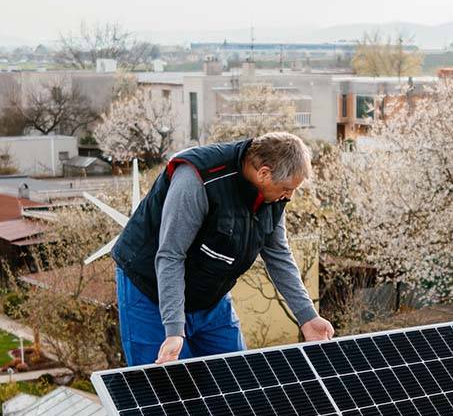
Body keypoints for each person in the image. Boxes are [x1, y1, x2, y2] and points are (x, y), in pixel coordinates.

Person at [112, 132, 335, 366]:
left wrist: (307, 317)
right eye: (287, 188)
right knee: (162, 388)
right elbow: (170, 255)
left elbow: (278, 255)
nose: (289, 196)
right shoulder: (197, 180)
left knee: (235, 378)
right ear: (264, 173)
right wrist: (174, 330)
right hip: (151, 289)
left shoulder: (273, 198)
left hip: (210, 294)